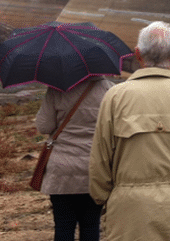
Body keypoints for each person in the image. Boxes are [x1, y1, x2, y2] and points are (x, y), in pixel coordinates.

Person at [89, 21, 170, 241]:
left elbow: (99, 161)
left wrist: (106, 199)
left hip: (129, 212)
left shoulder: (115, 97)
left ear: (138, 55)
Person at [36, 76, 113, 241]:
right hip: (95, 167)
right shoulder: (108, 89)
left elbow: (44, 126)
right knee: (91, 225)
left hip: (61, 170)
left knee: (63, 225)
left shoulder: (57, 89)